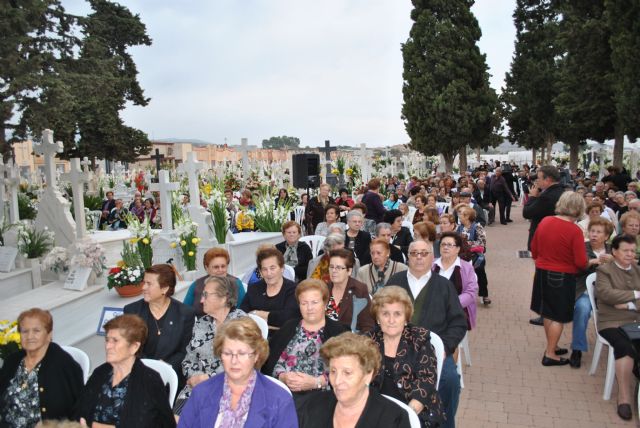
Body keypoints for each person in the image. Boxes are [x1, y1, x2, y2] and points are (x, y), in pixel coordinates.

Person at [386, 240, 466, 428]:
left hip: (434, 351)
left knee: (450, 381)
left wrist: (445, 348)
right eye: (414, 253)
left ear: (432, 257)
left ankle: (444, 423)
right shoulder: (395, 282)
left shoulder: (444, 286)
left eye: (424, 253)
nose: (419, 257)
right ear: (408, 257)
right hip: (396, 349)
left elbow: (458, 322)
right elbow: (380, 315)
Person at [177, 317, 298, 427]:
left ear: (256, 355)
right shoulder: (201, 392)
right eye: (227, 353)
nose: (234, 361)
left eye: (242, 354)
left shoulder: (279, 400)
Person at [75, 314, 176, 427]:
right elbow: (78, 412)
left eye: (115, 341)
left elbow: (160, 424)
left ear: (134, 347)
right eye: (107, 340)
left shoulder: (149, 381)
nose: (108, 346)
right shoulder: (101, 372)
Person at [366, 287, 445, 427]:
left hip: (414, 410)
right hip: (375, 410)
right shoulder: (367, 341)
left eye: (397, 314)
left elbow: (427, 381)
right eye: (385, 314)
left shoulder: (420, 340)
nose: (391, 320)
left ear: (406, 318)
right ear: (378, 318)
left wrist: (406, 415)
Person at [296, 333, 411, 428]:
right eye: (333, 371)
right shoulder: (310, 405)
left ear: (368, 375)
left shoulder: (394, 419)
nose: (337, 381)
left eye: (347, 373)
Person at [262, 279, 349, 402]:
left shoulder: (339, 332)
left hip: (322, 400)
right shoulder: (289, 327)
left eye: (314, 302)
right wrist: (282, 377)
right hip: (282, 395)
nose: (309, 308)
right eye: (304, 303)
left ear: (325, 304)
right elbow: (268, 362)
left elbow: (348, 371)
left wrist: (316, 382)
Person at [530, 192, 588, 366]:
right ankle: (550, 354)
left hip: (542, 271)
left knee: (548, 313)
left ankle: (552, 346)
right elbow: (581, 262)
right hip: (562, 276)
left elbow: (534, 248)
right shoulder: (574, 230)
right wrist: (590, 261)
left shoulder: (546, 221)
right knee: (558, 316)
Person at [174, 276, 247, 415]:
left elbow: (244, 365)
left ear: (224, 298)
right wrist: (195, 377)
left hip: (229, 390)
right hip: (195, 388)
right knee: (177, 420)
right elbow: (189, 358)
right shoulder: (202, 323)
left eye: (206, 295)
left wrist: (208, 378)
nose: (201, 300)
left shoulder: (241, 324)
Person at [0, 309, 83, 427]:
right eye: (25, 331)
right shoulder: (12, 361)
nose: (30, 336)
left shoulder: (63, 364)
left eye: (36, 331)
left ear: (49, 334)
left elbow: (78, 407)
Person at [123, 264, 196, 390]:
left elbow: (185, 349)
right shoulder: (132, 311)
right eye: (143, 282)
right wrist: (152, 366)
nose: (143, 287)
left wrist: (167, 366)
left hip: (172, 376)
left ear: (165, 288)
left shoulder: (184, 313)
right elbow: (129, 347)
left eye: (149, 284)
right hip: (140, 374)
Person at [594, 235, 640, 421]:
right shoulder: (604, 270)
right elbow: (606, 295)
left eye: (633, 251)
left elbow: (617, 298)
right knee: (625, 348)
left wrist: (629, 305)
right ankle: (624, 398)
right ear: (614, 251)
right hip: (611, 321)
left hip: (635, 320)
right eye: (625, 251)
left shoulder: (637, 269)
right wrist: (636, 294)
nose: (630, 254)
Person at [523, 165, 565, 326]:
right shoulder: (562, 192)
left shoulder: (548, 196)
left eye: (539, 178)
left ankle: (546, 313)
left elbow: (528, 213)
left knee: (544, 279)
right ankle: (548, 312)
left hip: (544, 243)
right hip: (554, 242)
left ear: (548, 179)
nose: (537, 182)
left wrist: (533, 197)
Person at [569, 218, 613, 369]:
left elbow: (624, 271)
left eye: (599, 232)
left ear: (606, 236)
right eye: (592, 231)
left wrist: (613, 262)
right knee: (581, 309)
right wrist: (591, 262)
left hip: (607, 295)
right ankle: (577, 349)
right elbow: (574, 270)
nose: (594, 234)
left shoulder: (613, 250)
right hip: (585, 291)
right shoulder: (581, 247)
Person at [239, 246, 300, 330]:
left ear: (282, 268)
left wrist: (257, 313)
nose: (269, 273)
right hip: (254, 335)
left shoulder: (293, 289)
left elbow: (287, 318)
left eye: (272, 268)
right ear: (260, 272)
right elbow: (241, 314)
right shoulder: (254, 288)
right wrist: (272, 319)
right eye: (264, 269)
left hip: (283, 335)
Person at [433, 232, 479, 331]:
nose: (445, 247)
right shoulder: (431, 265)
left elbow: (471, 293)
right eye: (443, 244)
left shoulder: (467, 268)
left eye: (449, 245)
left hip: (457, 314)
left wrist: (450, 304)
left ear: (458, 249)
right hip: (433, 314)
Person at [183, 248, 246, 317]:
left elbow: (244, 312)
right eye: (216, 267)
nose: (220, 270)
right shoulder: (196, 286)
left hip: (231, 326)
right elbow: (184, 312)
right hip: (203, 326)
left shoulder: (236, 284)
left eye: (223, 266)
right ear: (206, 268)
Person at [326, 249, 375, 333]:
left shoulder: (359, 290)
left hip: (349, 342)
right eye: (331, 267)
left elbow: (367, 325)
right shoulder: (324, 289)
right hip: (324, 341)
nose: (333, 271)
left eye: (338, 267)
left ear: (349, 271)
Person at [455, 205, 490, 305]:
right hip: (462, 256)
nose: (459, 216)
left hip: (476, 256)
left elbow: (482, 242)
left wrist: (466, 243)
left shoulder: (477, 227)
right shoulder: (459, 228)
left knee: (480, 273)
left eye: (461, 214)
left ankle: (484, 295)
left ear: (467, 216)